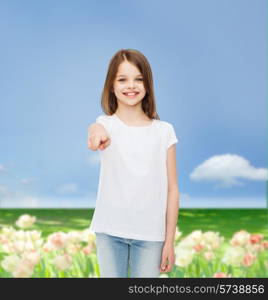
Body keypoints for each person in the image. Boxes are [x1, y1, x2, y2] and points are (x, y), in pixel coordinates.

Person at [87, 49, 180, 278]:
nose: (131, 85)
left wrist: (169, 241)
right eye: (122, 79)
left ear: (148, 85)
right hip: (109, 231)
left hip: (151, 236)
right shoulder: (105, 125)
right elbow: (95, 129)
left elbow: (172, 189)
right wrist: (95, 131)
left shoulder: (164, 131)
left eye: (139, 79)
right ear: (111, 85)